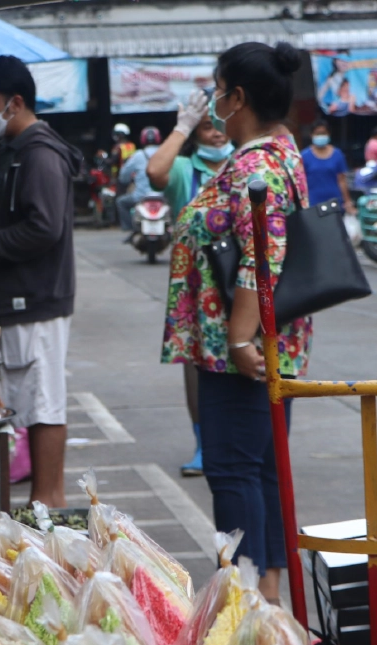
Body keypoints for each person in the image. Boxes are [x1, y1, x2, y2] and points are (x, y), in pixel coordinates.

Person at [160, 41, 311, 604]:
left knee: (232, 471)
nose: (214, 100)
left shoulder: (255, 165)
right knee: (261, 470)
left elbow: (262, 254)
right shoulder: (280, 150)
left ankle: (247, 602)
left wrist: (242, 337)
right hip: (271, 342)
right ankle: (265, 597)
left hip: (241, 350)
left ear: (238, 98)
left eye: (218, 90)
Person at [0, 56, 80, 508]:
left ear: (16, 102)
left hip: (36, 297)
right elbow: (13, 220)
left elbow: (43, 229)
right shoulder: (17, 151)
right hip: (17, 295)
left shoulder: (40, 154)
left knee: (44, 404)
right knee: (30, 400)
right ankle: (42, 503)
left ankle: (47, 503)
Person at [146, 91, 234, 478]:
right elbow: (155, 172)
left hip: (241, 282)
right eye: (207, 127)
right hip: (198, 288)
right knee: (197, 366)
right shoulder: (185, 170)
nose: (216, 134)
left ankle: (239, 439)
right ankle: (204, 443)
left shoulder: (244, 161)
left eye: (221, 125)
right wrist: (181, 127)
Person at [301, 121, 355, 211]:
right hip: (312, 204)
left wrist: (347, 201)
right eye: (317, 133)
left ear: (328, 134)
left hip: (334, 203)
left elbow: (342, 181)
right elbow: (301, 181)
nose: (320, 136)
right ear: (311, 135)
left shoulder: (338, 154)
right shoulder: (304, 156)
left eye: (323, 133)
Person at [117, 126, 161, 233]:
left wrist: (127, 180)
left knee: (121, 202)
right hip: (163, 196)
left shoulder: (137, 155)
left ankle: (130, 230)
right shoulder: (165, 153)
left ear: (143, 139)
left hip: (140, 196)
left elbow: (123, 176)